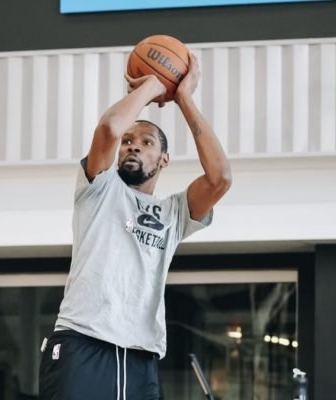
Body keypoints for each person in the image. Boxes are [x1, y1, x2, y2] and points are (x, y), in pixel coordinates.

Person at [39, 51, 232, 400]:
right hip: (83, 342)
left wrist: (184, 98)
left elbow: (220, 178)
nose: (133, 147)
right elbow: (109, 128)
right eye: (128, 142)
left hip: (140, 355)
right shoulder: (99, 187)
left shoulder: (173, 213)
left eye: (146, 143)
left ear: (164, 159)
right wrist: (154, 85)